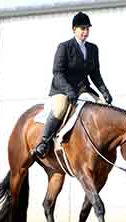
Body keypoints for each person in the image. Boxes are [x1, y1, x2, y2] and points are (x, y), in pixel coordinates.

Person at [34, 11, 113, 158]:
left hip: (83, 88)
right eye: (82, 28)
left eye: (87, 28)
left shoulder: (93, 49)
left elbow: (95, 74)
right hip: (62, 89)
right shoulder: (64, 47)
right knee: (60, 108)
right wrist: (69, 90)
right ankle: (44, 143)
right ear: (74, 29)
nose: (85, 31)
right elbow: (57, 72)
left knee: (104, 107)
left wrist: (105, 92)